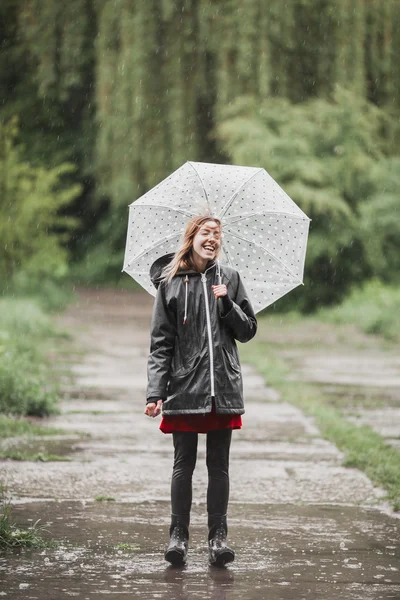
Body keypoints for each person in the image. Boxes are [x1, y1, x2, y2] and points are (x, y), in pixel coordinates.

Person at [145, 215, 257, 567]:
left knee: (219, 466)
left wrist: (227, 304)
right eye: (206, 233)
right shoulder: (170, 283)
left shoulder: (231, 278)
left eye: (217, 235)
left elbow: (248, 330)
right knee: (183, 465)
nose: (213, 239)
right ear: (192, 237)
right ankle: (177, 537)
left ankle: (218, 539)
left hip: (222, 386)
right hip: (184, 388)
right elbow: (161, 343)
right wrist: (155, 393)